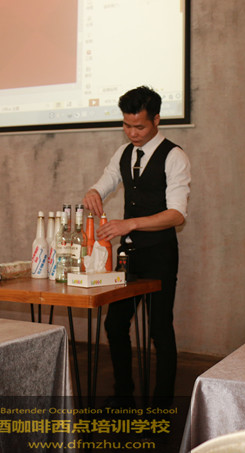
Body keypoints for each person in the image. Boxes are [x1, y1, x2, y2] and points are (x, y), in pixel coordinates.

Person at [83, 86, 191, 407]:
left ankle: (161, 408)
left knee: (160, 329)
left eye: (139, 126)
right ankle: (123, 396)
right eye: (126, 125)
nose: (132, 133)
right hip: (128, 256)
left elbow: (177, 214)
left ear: (156, 120)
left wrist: (130, 224)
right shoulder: (123, 153)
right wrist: (94, 192)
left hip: (160, 254)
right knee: (115, 324)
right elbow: (106, 181)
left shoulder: (174, 156)